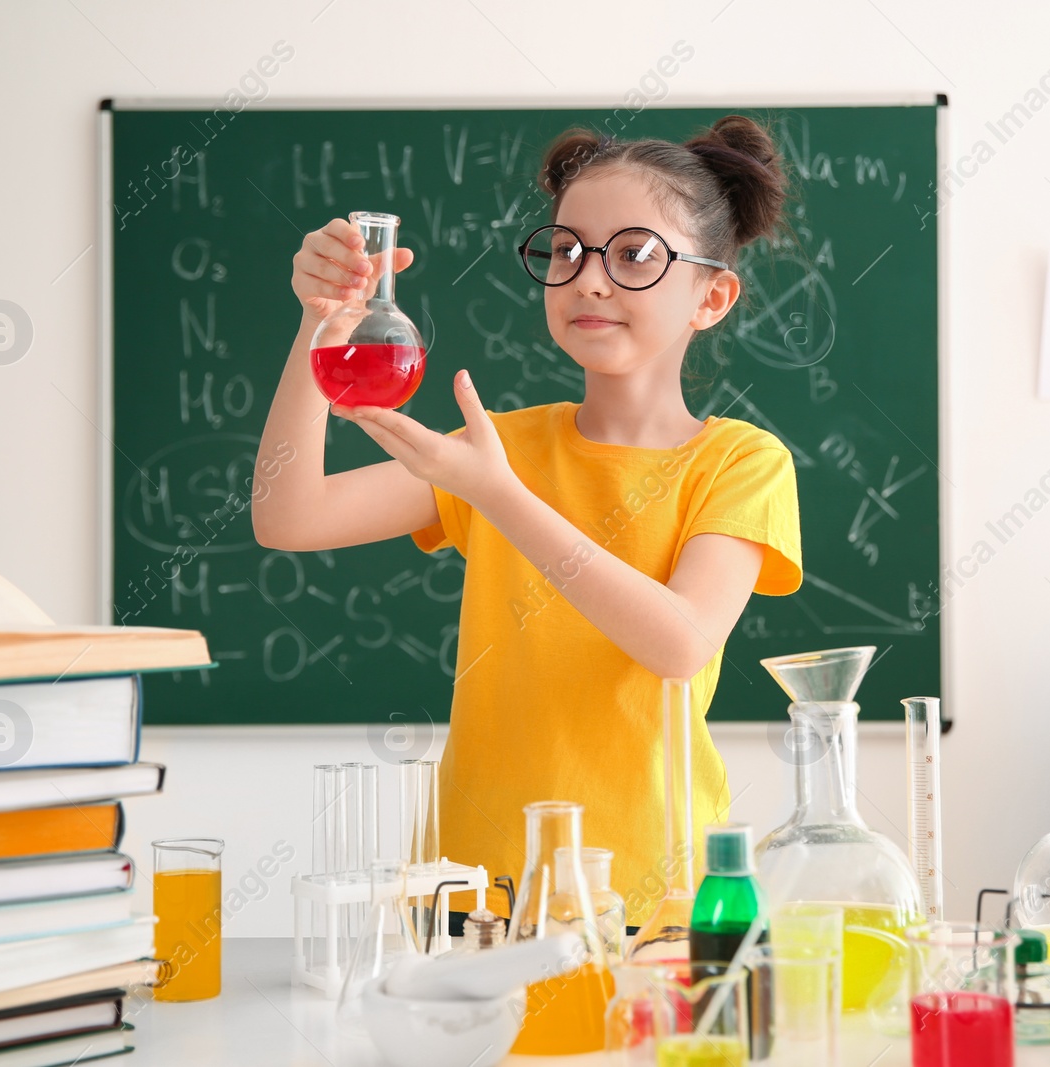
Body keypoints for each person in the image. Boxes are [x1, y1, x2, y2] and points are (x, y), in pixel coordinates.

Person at [253, 114, 803, 931]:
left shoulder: (738, 462)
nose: (588, 278)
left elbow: (680, 644)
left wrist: (498, 494)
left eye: (634, 254)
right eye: (567, 249)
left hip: (654, 900)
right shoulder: (498, 447)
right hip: (472, 891)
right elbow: (288, 514)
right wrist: (317, 326)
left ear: (712, 296)